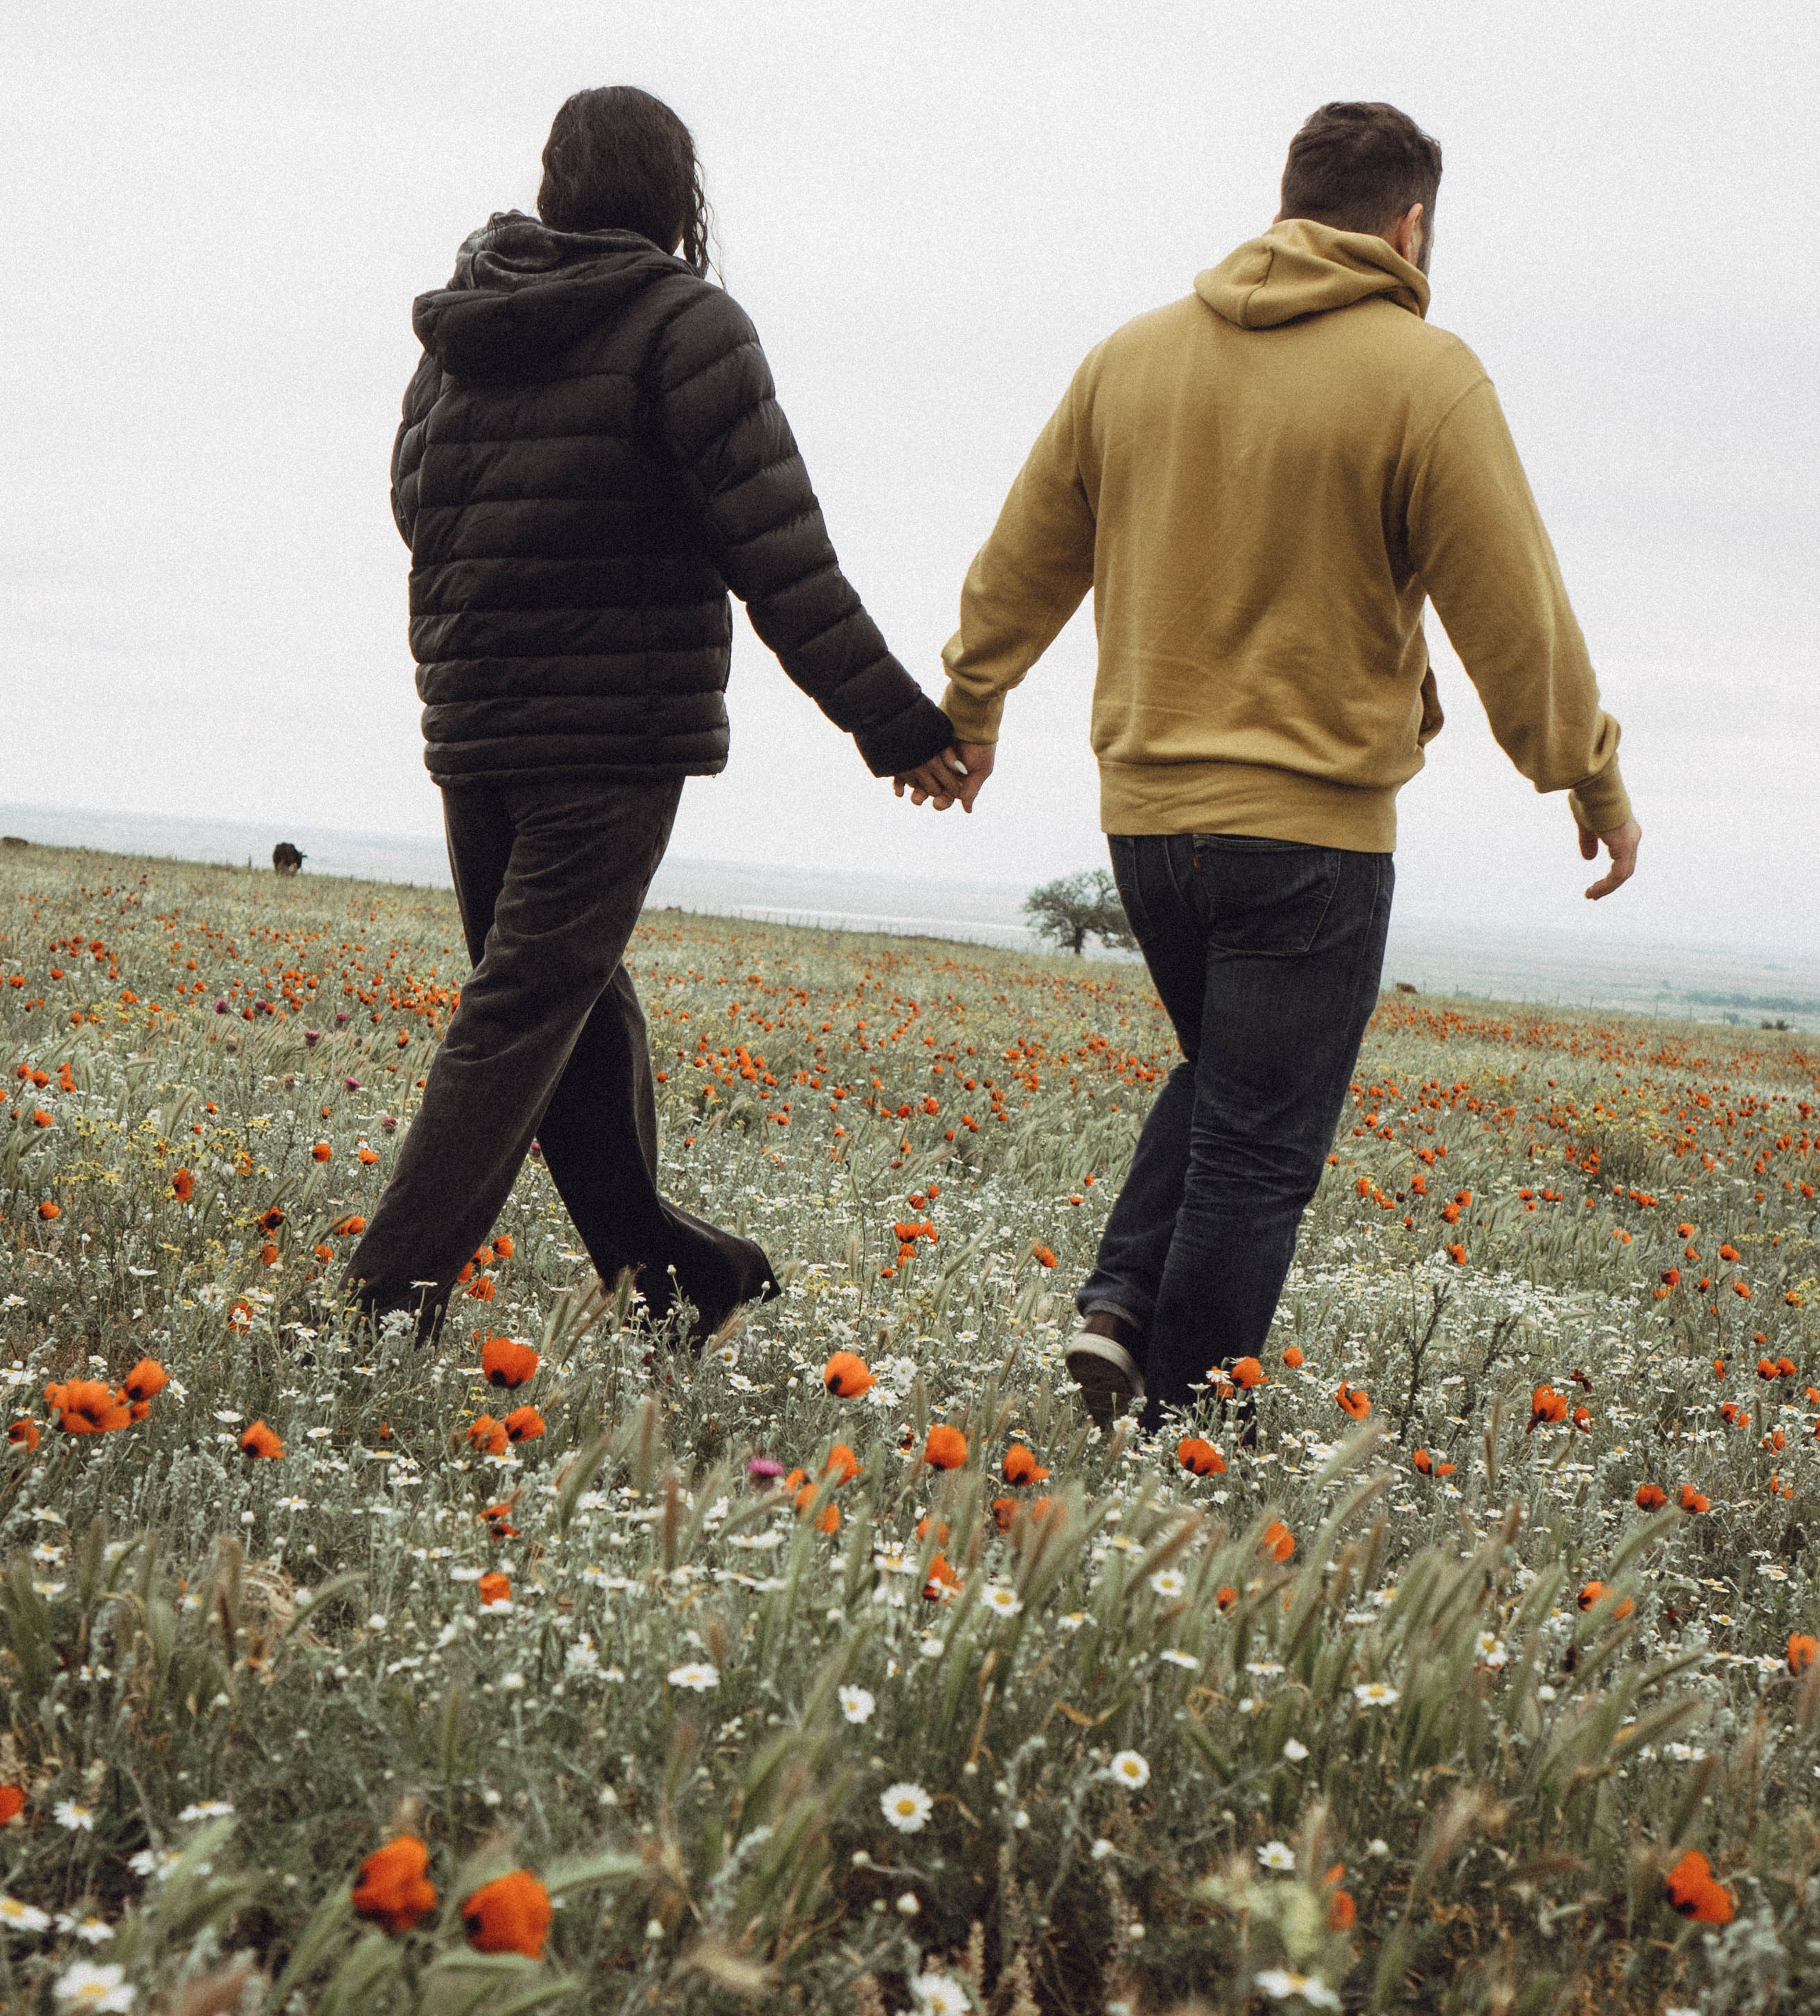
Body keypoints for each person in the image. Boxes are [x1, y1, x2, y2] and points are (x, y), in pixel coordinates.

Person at [916, 100, 1639, 1430]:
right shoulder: (1426, 378)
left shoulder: (1130, 360)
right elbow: (1512, 612)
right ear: (1410, 224)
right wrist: (1584, 772)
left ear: (1288, 200)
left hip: (1146, 829)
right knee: (1260, 1143)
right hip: (1310, 839)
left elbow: (1022, 559)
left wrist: (972, 705)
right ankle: (1187, 1431)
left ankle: (1122, 1309)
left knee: (1227, 1083)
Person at [348, 85, 965, 1339]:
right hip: (612, 730)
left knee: (567, 998)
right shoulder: (688, 327)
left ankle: (676, 1276)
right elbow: (780, 554)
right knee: (528, 1007)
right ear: (676, 194)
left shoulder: (465, 326)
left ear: (553, 183)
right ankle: (378, 1305)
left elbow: (418, 502)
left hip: (474, 715)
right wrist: (901, 723)